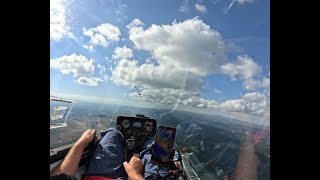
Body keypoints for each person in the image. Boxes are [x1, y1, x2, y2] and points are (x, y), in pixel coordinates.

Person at [51, 128, 170, 180]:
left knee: (113, 133)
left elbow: (62, 176)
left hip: (100, 177)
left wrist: (81, 143)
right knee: (163, 138)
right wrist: (134, 174)